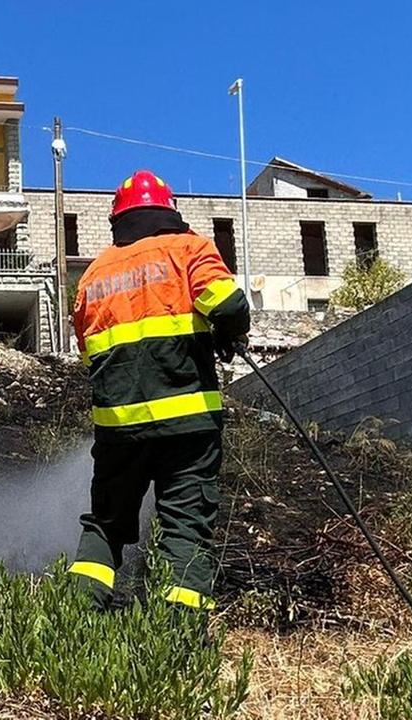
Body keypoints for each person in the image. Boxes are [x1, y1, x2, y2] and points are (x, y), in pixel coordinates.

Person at [68, 169, 250, 612]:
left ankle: (75, 621)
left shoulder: (92, 276)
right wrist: (229, 333)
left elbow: (90, 356)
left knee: (105, 525)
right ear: (170, 212)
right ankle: (177, 641)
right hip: (188, 427)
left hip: (119, 433)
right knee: (185, 528)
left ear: (118, 221)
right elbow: (227, 304)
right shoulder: (189, 249)